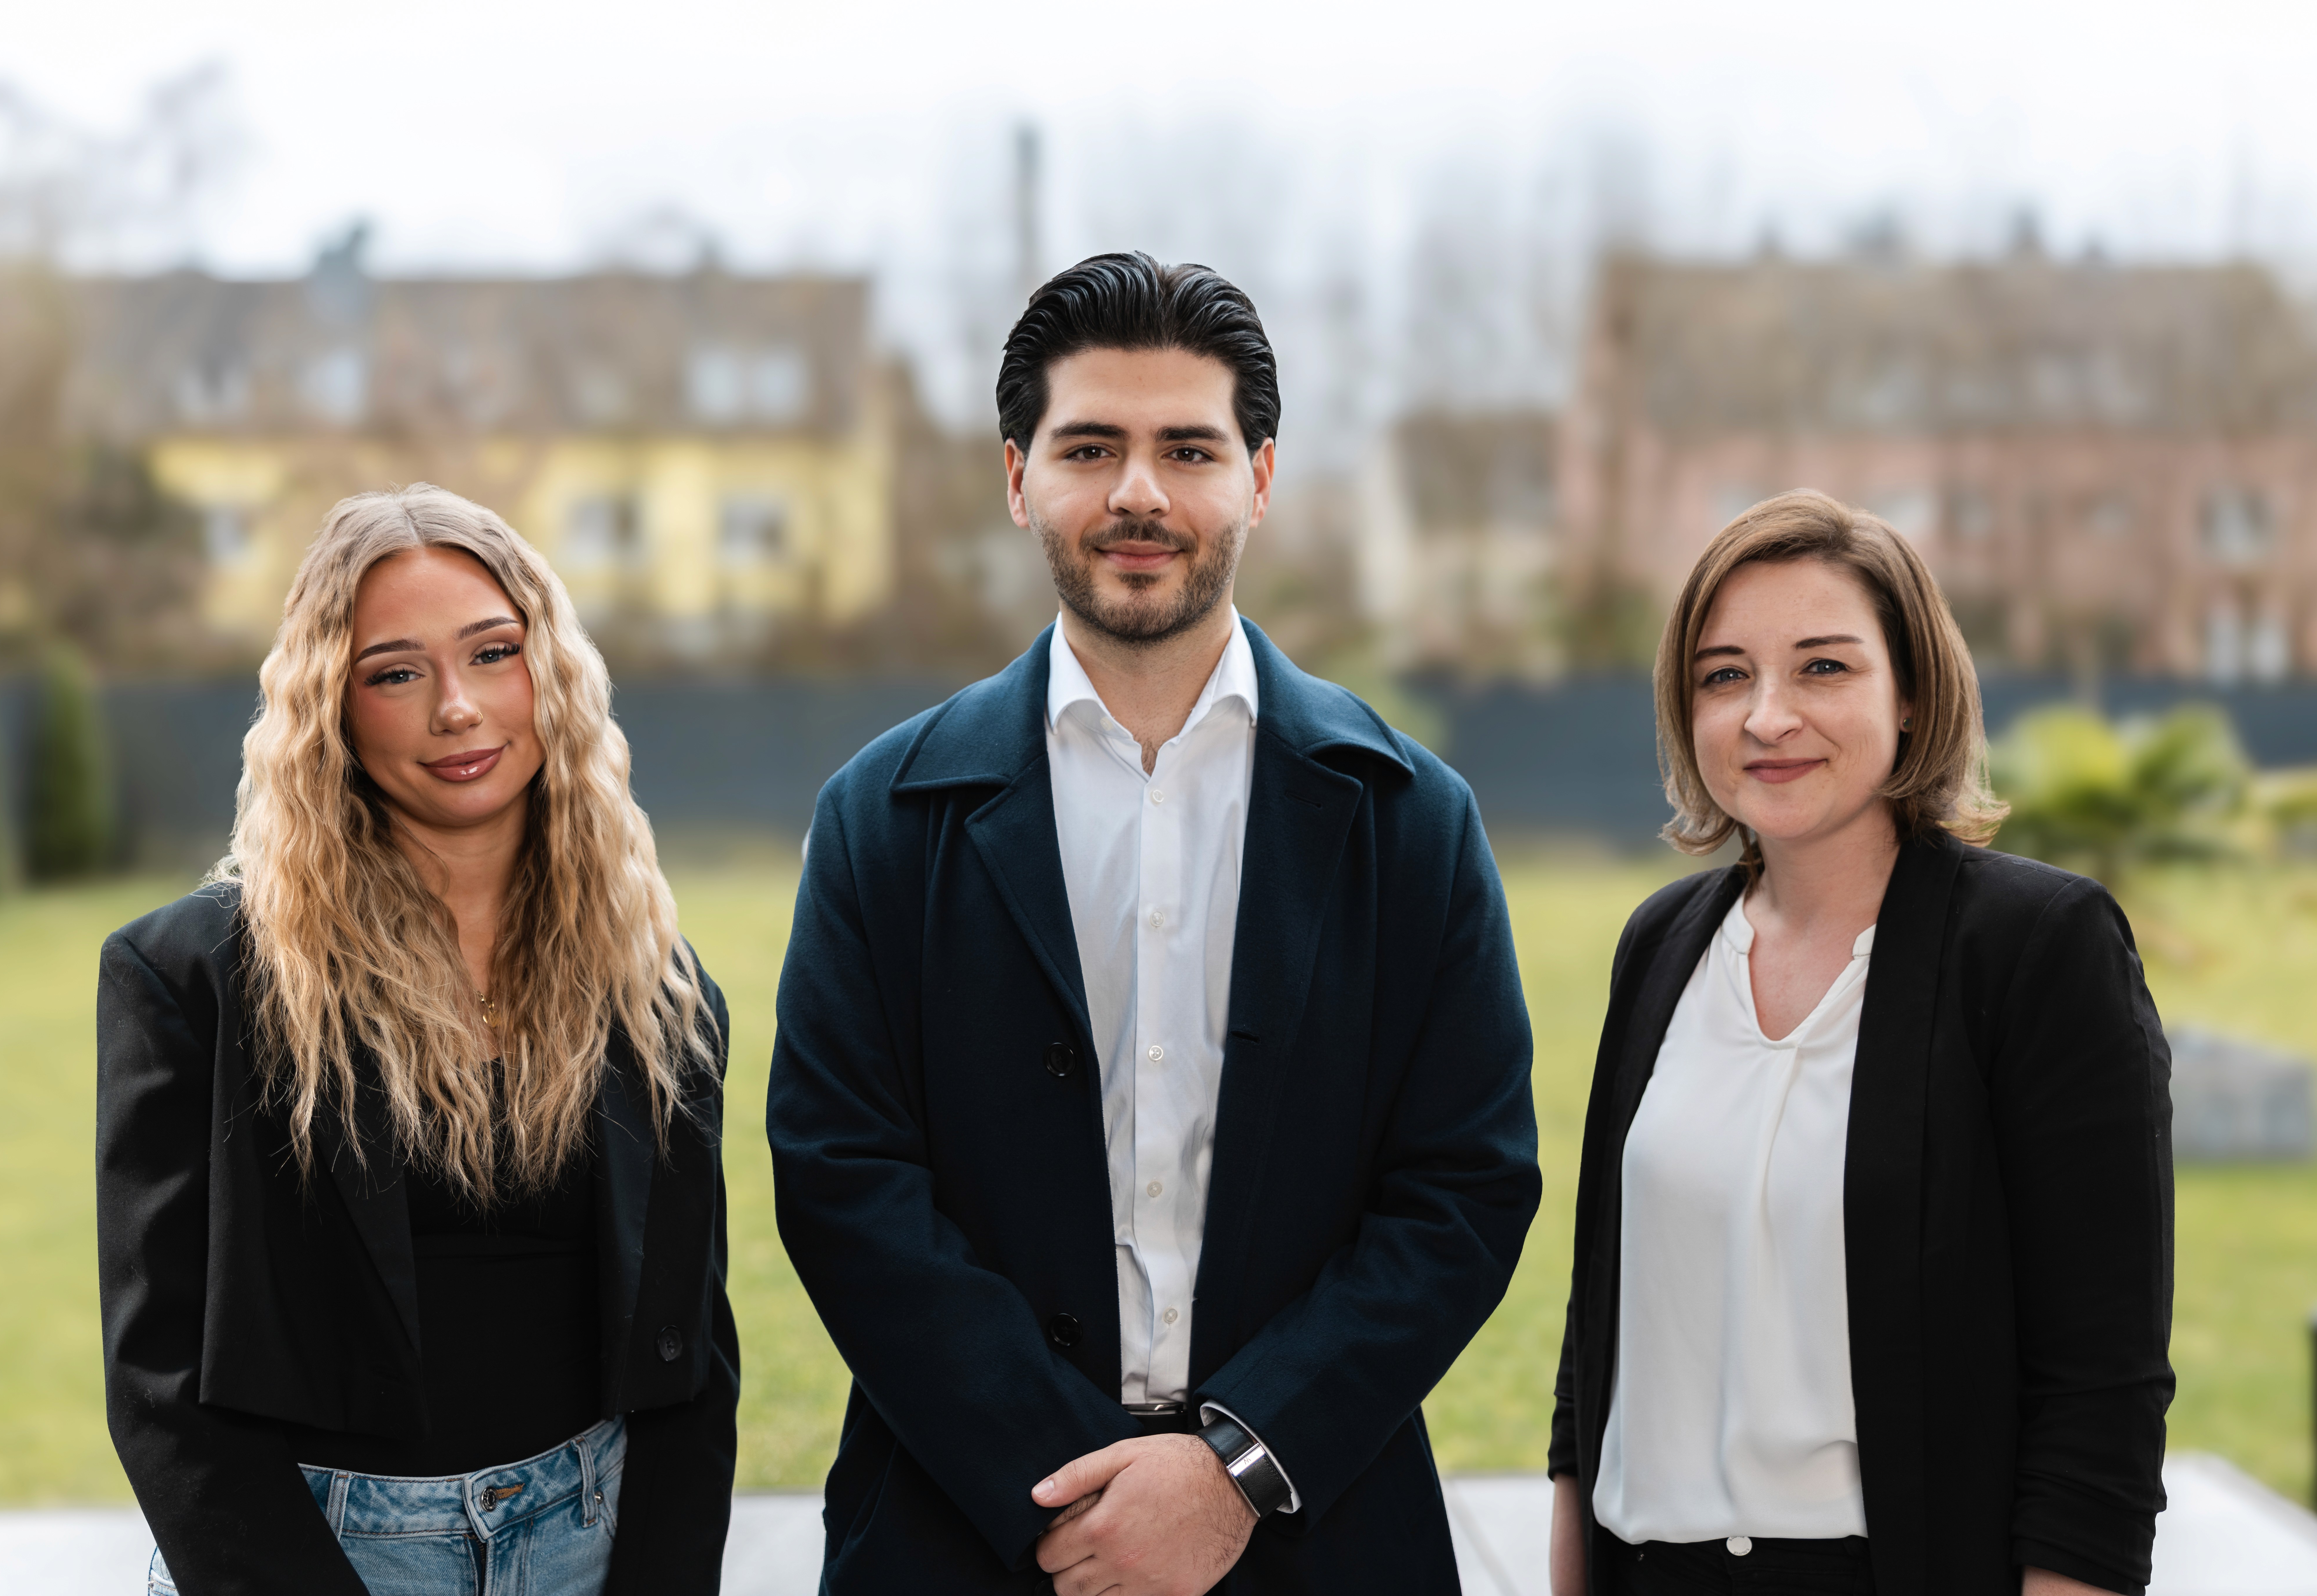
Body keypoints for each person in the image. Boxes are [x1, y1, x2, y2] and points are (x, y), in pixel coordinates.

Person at [768, 251, 1541, 1594]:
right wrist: (1078, 1495)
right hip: (965, 1533)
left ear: (1260, 477)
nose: (1138, 491)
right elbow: (843, 1180)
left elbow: (1462, 1191)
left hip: (1320, 1532)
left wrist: (1232, 1470)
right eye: (1089, 447)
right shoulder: (881, 816)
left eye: (1188, 446)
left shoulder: (1409, 819)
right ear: (1018, 479)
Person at [96, 485, 737, 1596]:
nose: (458, 708)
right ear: (329, 708)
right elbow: (160, 1378)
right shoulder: (191, 980)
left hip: (586, 1541)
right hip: (308, 1554)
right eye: (396, 672)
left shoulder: (659, 991)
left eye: (494, 653)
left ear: (554, 675)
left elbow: (691, 1367)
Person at [1547, 490, 2173, 1596]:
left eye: (1824, 668)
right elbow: (1598, 1335)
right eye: (1724, 674)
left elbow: (2101, 1387)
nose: (1767, 717)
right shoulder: (1662, 948)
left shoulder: (2035, 950)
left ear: (1914, 693)